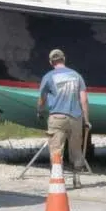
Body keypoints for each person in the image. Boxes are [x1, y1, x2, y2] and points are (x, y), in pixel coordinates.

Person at [37, 48, 90, 188]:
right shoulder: (77, 76)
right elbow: (84, 99)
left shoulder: (48, 77)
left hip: (57, 117)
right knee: (76, 149)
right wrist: (86, 119)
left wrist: (40, 111)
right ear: (64, 59)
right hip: (75, 117)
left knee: (56, 149)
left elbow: (42, 99)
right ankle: (77, 179)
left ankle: (57, 180)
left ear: (51, 62)